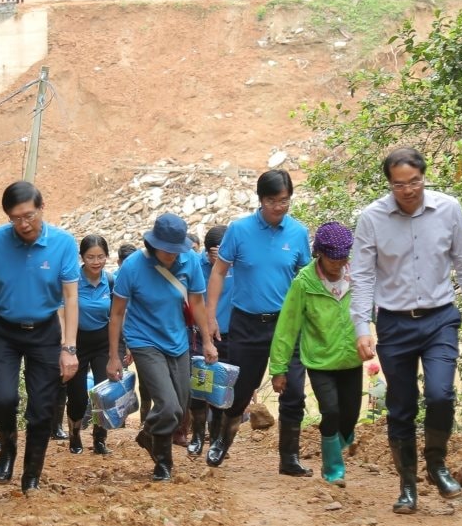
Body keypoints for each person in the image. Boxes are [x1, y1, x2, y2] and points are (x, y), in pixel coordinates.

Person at [350, 147, 462, 514]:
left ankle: (437, 463)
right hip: (395, 322)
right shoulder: (372, 218)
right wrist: (361, 325)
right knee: (401, 406)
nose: (409, 190)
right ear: (389, 184)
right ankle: (407, 485)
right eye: (400, 184)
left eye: (415, 182)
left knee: (441, 393)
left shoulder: (449, 209)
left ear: (424, 177)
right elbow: (363, 275)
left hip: (439, 317)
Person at [0, 182, 80, 493]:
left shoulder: (63, 243)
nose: (24, 224)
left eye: (29, 215)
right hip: (3, 330)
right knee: (3, 397)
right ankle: (8, 449)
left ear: (42, 208)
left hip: (45, 331)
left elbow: (71, 298)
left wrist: (69, 348)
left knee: (42, 408)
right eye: (15, 218)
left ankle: (32, 471)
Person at [204, 170, 313, 475]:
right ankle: (221, 441)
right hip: (247, 324)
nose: (279, 206)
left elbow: (305, 280)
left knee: (293, 391)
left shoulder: (298, 233)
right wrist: (211, 315)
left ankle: (289, 458)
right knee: (240, 391)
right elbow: (218, 272)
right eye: (273, 200)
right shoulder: (239, 231)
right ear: (260, 200)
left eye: (285, 200)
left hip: (286, 326)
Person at [106, 214, 208, 482]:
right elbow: (116, 313)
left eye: (177, 250)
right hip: (144, 341)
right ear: (153, 244)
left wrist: (207, 340)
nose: (172, 255)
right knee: (169, 406)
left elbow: (197, 303)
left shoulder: (190, 262)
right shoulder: (133, 267)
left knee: (181, 406)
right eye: (167, 250)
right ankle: (163, 463)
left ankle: (148, 434)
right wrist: (114, 356)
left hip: (178, 341)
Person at [269, 222, 360, 487]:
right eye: (333, 258)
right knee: (330, 410)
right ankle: (333, 470)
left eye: (344, 258)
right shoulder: (304, 283)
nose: (339, 263)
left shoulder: (357, 277)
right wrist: (279, 369)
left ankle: (336, 444)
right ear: (319, 253)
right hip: (320, 360)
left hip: (351, 359)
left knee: (350, 417)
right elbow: (287, 328)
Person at [67, 235, 118, 454]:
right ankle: (74, 434)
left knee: (103, 393)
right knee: (78, 396)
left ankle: (99, 438)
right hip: (76, 343)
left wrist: (119, 350)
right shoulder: (72, 280)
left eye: (100, 257)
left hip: (102, 343)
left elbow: (117, 315)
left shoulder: (111, 280)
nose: (96, 262)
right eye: (90, 257)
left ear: (107, 256)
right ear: (82, 257)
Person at [186, 224, 233, 455]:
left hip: (229, 334)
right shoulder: (196, 265)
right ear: (206, 252)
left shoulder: (237, 264)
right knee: (199, 387)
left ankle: (216, 438)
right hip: (200, 336)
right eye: (216, 254)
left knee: (221, 389)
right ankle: (196, 435)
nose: (222, 258)